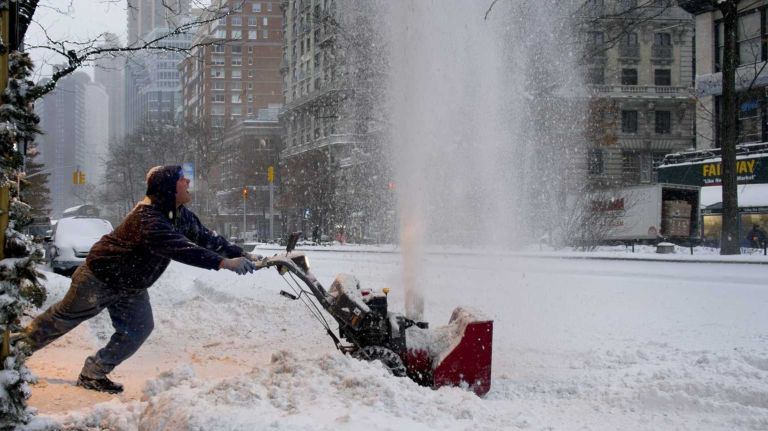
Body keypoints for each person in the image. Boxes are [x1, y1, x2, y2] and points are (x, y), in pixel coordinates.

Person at [18, 165, 262, 394]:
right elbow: (181, 248)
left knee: (138, 329)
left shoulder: (179, 215)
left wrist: (241, 254)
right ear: (169, 188)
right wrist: (223, 263)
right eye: (182, 178)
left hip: (131, 286)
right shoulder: (148, 219)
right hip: (99, 279)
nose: (188, 181)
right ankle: (12, 354)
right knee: (61, 320)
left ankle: (94, 373)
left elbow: (207, 238)